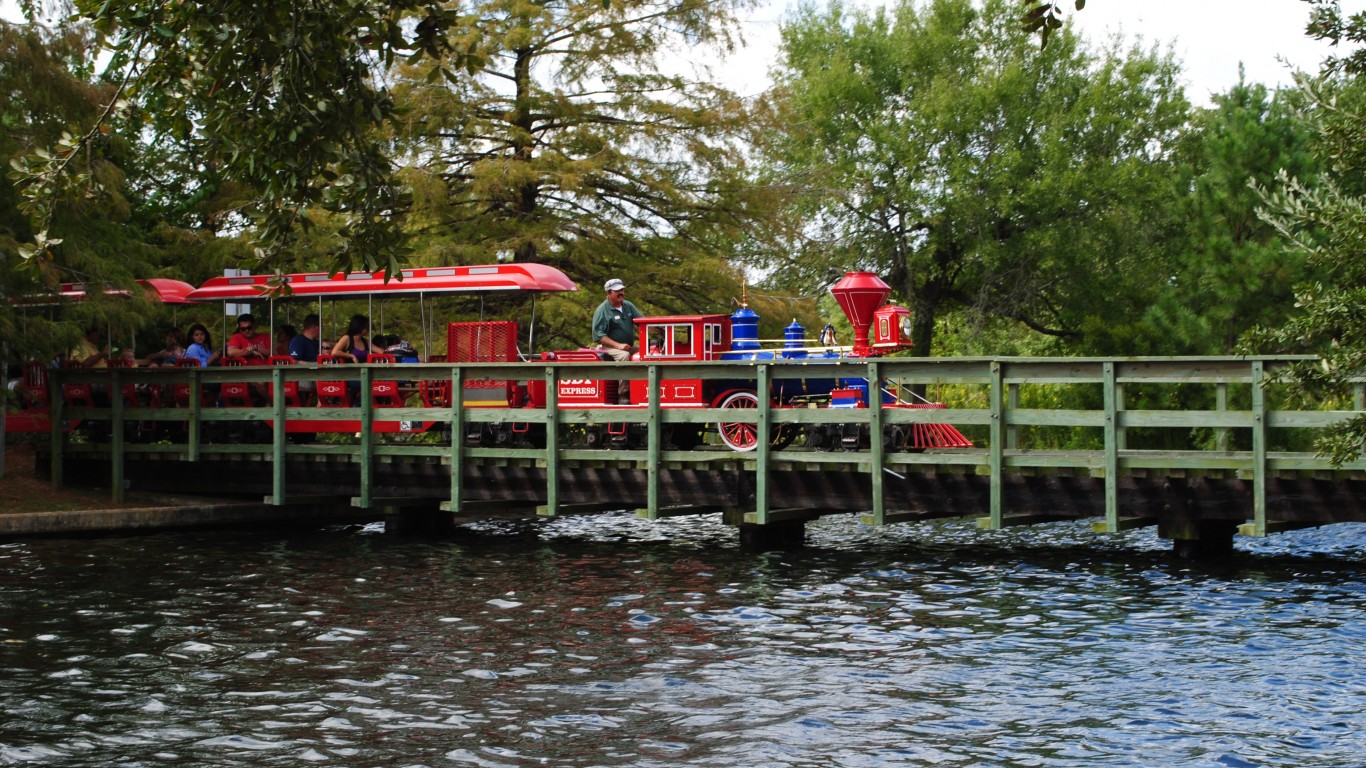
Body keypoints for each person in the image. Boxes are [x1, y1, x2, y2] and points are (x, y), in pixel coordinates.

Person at [592, 278, 643, 361]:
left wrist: (658, 329)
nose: (621, 293)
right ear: (608, 293)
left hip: (628, 347)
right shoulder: (602, 310)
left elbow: (643, 322)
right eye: (617, 291)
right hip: (610, 348)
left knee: (647, 353)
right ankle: (625, 374)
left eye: (622, 290)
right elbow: (599, 335)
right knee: (624, 356)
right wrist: (618, 345)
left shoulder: (628, 305)